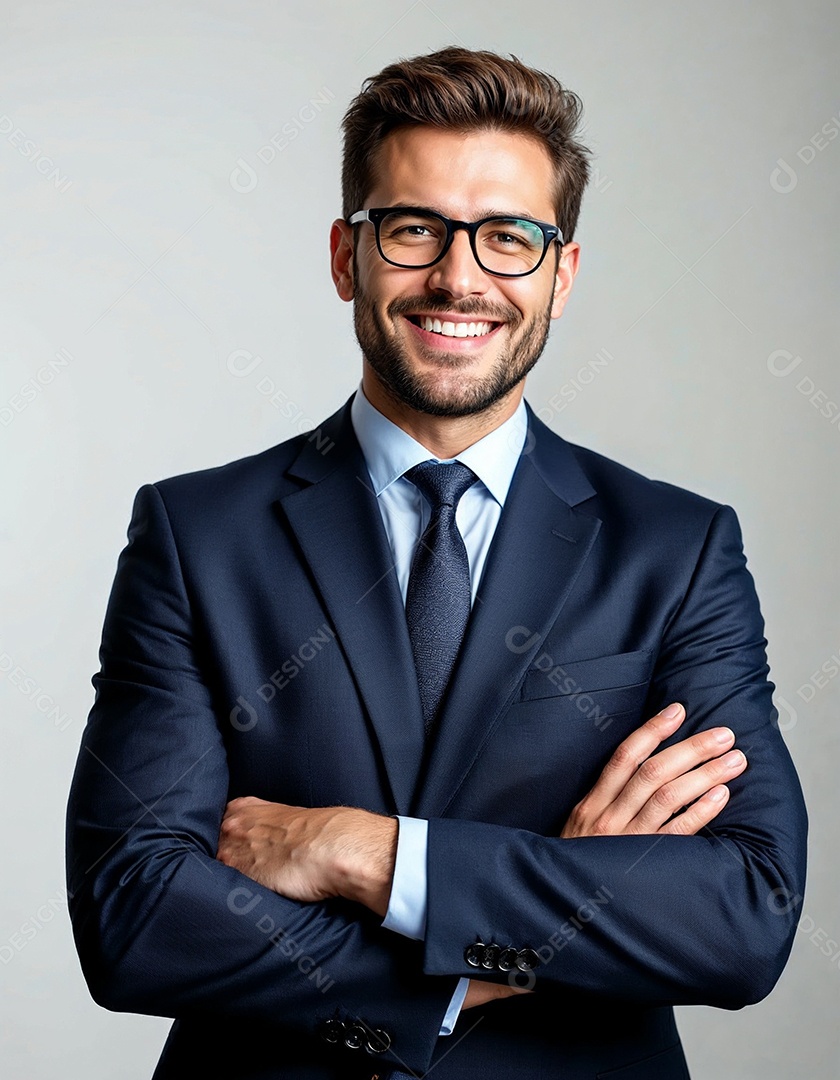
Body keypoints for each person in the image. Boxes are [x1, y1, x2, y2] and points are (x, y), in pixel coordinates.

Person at [66, 47, 807, 1080]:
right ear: (345, 257)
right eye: (413, 229)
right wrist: (506, 947)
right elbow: (134, 916)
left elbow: (742, 913)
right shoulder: (197, 536)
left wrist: (372, 854)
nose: (460, 277)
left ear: (563, 273)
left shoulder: (677, 551)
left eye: (509, 237)